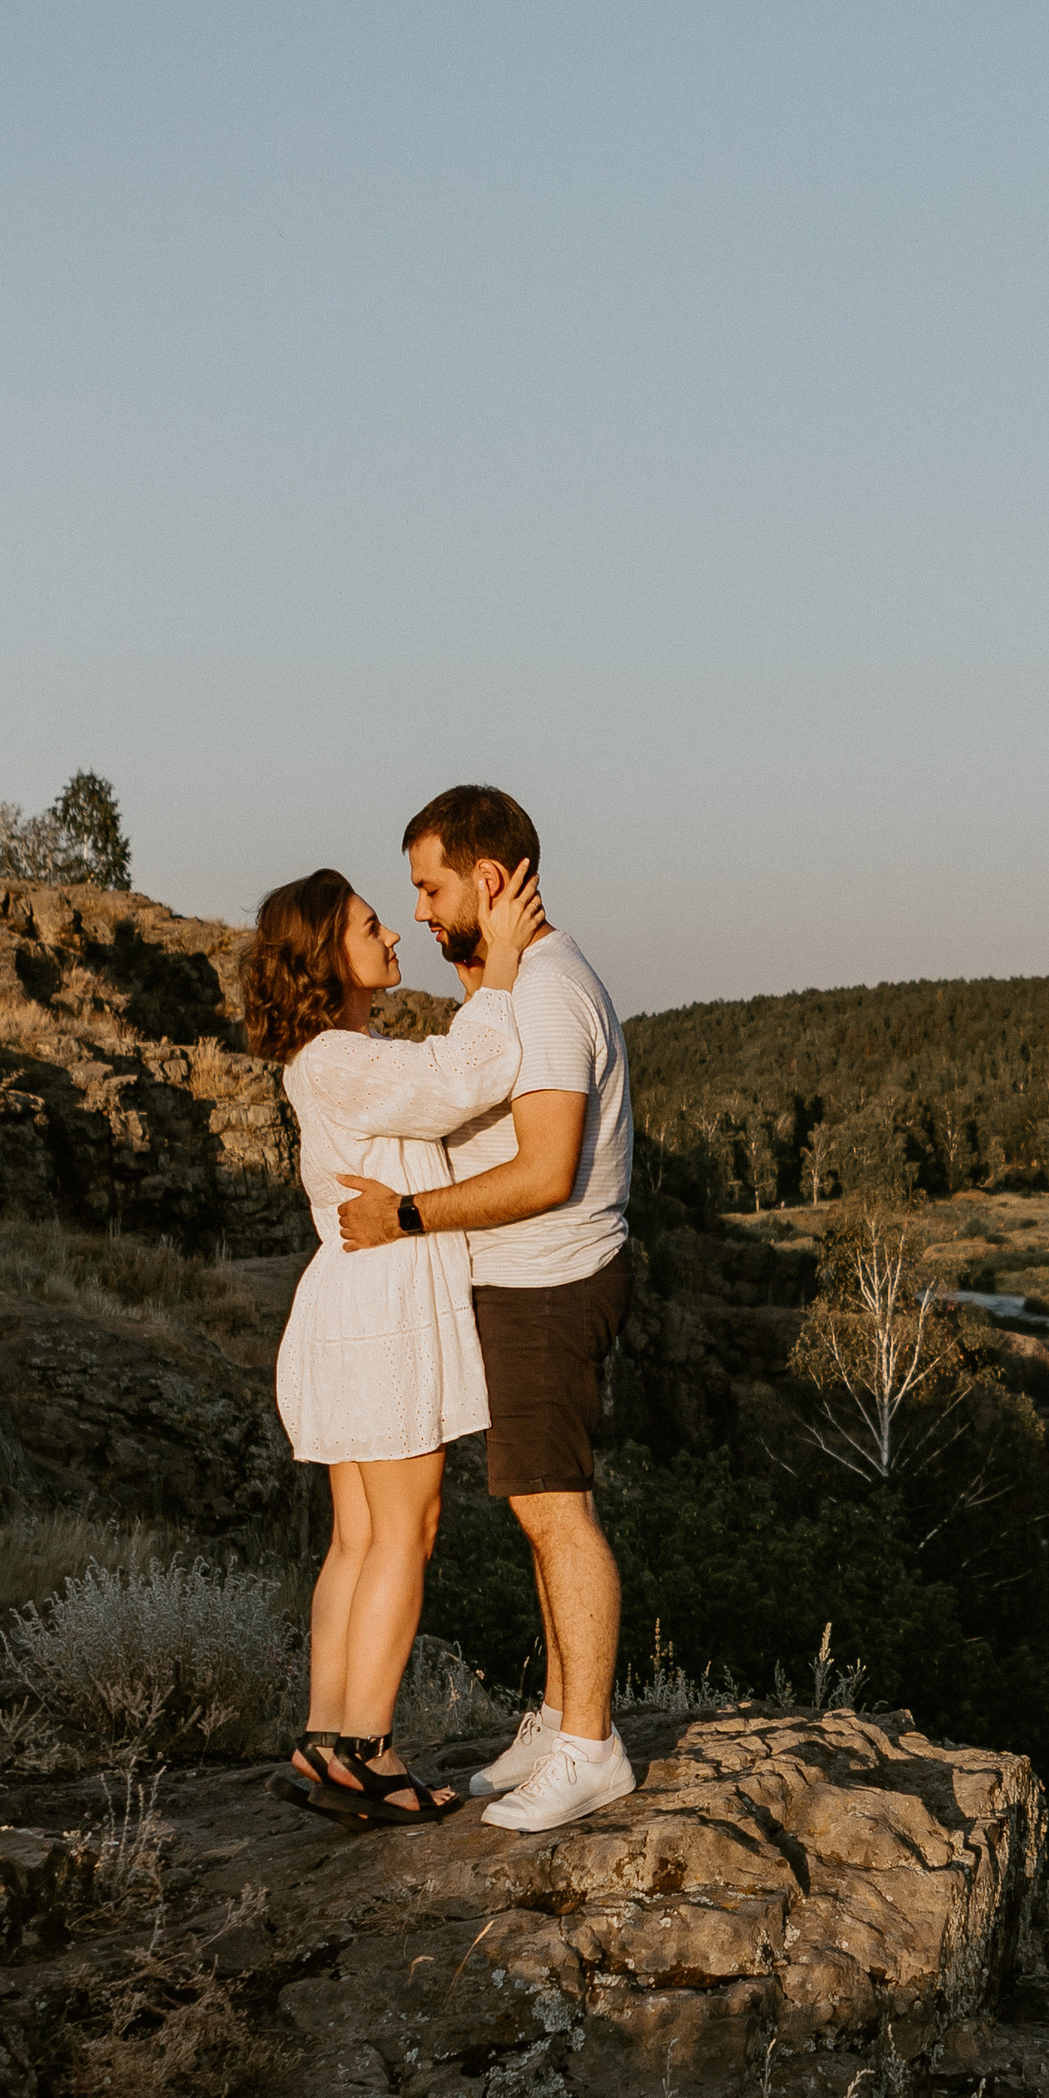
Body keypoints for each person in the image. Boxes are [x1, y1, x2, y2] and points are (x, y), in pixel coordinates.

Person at [336, 782, 634, 1835]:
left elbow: (547, 1170)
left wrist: (410, 1215)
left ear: (490, 878)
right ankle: (560, 1719)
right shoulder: (519, 982)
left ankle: (592, 1750)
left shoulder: (547, 991)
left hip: (549, 1282)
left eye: (429, 886)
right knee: (536, 1511)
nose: (417, 910)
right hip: (522, 1283)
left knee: (559, 1514)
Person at [244, 858, 548, 1825]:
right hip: (381, 1308)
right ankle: (367, 1750)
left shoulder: (337, 1058)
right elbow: (465, 1076)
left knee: (360, 1536)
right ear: (327, 955)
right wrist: (499, 967)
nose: (394, 935)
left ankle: (328, 1738)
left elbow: (436, 1092)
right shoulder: (338, 1058)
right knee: (405, 1532)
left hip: (353, 1301)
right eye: (373, 924)